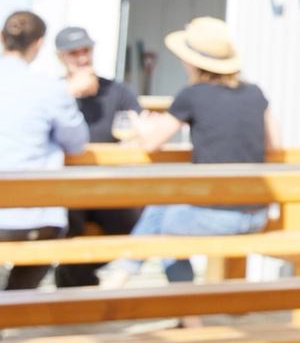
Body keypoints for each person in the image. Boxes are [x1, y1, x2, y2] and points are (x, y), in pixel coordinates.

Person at [98, 17, 284, 290]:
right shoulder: (256, 93)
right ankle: (128, 272)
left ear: (193, 62)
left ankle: (139, 280)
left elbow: (151, 143)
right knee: (164, 211)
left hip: (218, 216)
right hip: (256, 213)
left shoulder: (193, 95)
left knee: (162, 221)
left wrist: (141, 126)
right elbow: (276, 146)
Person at [0, 11, 88, 324]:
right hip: (25, 220)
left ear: (0, 38)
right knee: (50, 231)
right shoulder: (49, 90)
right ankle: (0, 313)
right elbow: (77, 143)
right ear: (39, 45)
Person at [51, 25, 143, 289]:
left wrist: (134, 140)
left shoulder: (117, 91)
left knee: (136, 222)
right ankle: (77, 289)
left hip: (107, 183)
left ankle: (77, 277)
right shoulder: (53, 93)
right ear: (61, 57)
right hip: (62, 184)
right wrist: (68, 92)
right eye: (73, 53)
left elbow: (137, 128)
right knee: (68, 224)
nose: (82, 58)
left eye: (86, 51)